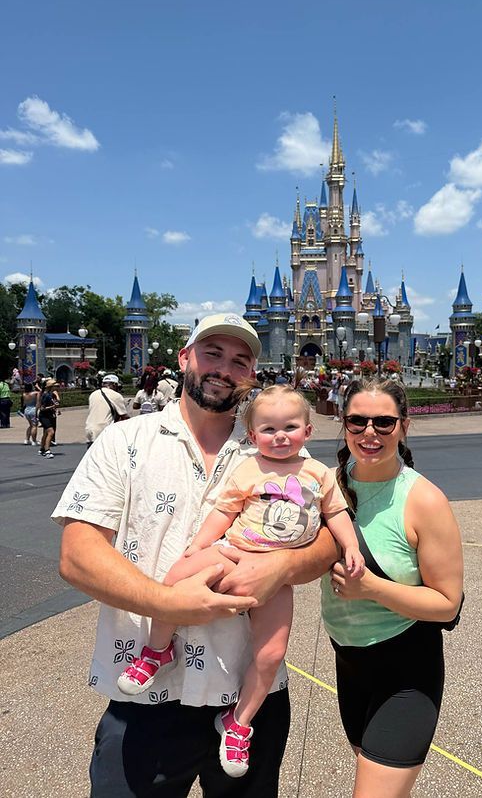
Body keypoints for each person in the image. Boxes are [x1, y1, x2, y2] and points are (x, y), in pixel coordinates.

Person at [53, 313, 338, 797]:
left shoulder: (273, 443)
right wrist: (166, 605)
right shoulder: (125, 441)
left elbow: (332, 534)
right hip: (149, 699)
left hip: (249, 702)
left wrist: (285, 565)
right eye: (213, 353)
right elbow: (78, 555)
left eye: (240, 360)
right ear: (185, 357)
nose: (224, 368)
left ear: (252, 375)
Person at [118, 384, 363, 778]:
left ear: (307, 431)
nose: (280, 436)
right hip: (234, 549)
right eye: (268, 429)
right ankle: (157, 649)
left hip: (279, 573)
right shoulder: (248, 469)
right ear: (252, 436)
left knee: (270, 654)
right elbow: (223, 511)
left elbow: (335, 515)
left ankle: (239, 721)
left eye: (290, 427)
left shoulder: (319, 474)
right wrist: (198, 546)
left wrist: (350, 547)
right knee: (174, 580)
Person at [321, 378, 464, 798]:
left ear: (404, 425)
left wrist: (371, 588)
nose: (369, 433)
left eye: (384, 423)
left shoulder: (423, 500)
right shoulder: (327, 484)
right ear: (343, 423)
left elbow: (446, 604)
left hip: (405, 670)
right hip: (348, 663)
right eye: (357, 421)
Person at [85, 374, 130, 446]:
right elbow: (124, 416)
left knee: (92, 454)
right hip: (104, 430)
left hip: (89, 428)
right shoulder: (116, 395)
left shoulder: (93, 394)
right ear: (114, 384)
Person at [37, 378, 58, 456]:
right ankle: (47, 450)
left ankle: (42, 449)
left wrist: (54, 407)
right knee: (51, 432)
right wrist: (52, 406)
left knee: (46, 433)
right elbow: (42, 408)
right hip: (44, 416)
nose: (56, 387)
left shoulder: (50, 394)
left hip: (49, 415)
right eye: (55, 386)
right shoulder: (45, 395)